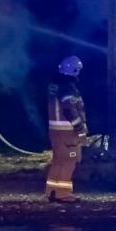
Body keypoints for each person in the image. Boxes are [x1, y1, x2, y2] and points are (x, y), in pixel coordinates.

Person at [45, 55, 87, 203]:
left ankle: (52, 191)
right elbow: (70, 109)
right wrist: (80, 128)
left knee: (58, 160)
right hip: (67, 131)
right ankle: (63, 194)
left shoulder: (55, 84)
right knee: (70, 160)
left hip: (55, 130)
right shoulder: (67, 87)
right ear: (74, 71)